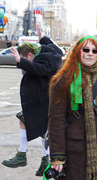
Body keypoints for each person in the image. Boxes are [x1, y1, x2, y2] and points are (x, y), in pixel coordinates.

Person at [2, 25, 63, 176]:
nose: (24, 63)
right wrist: (42, 38)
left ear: (30, 55)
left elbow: (40, 69)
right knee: (38, 127)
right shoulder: (50, 51)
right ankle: (43, 159)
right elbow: (55, 48)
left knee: (36, 125)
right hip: (44, 98)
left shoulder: (44, 59)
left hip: (45, 100)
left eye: (24, 59)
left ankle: (24, 156)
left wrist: (20, 61)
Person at [48, 36, 97, 180]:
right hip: (74, 150)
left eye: (95, 51)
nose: (90, 54)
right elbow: (56, 119)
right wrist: (57, 156)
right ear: (77, 51)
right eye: (86, 49)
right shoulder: (63, 79)